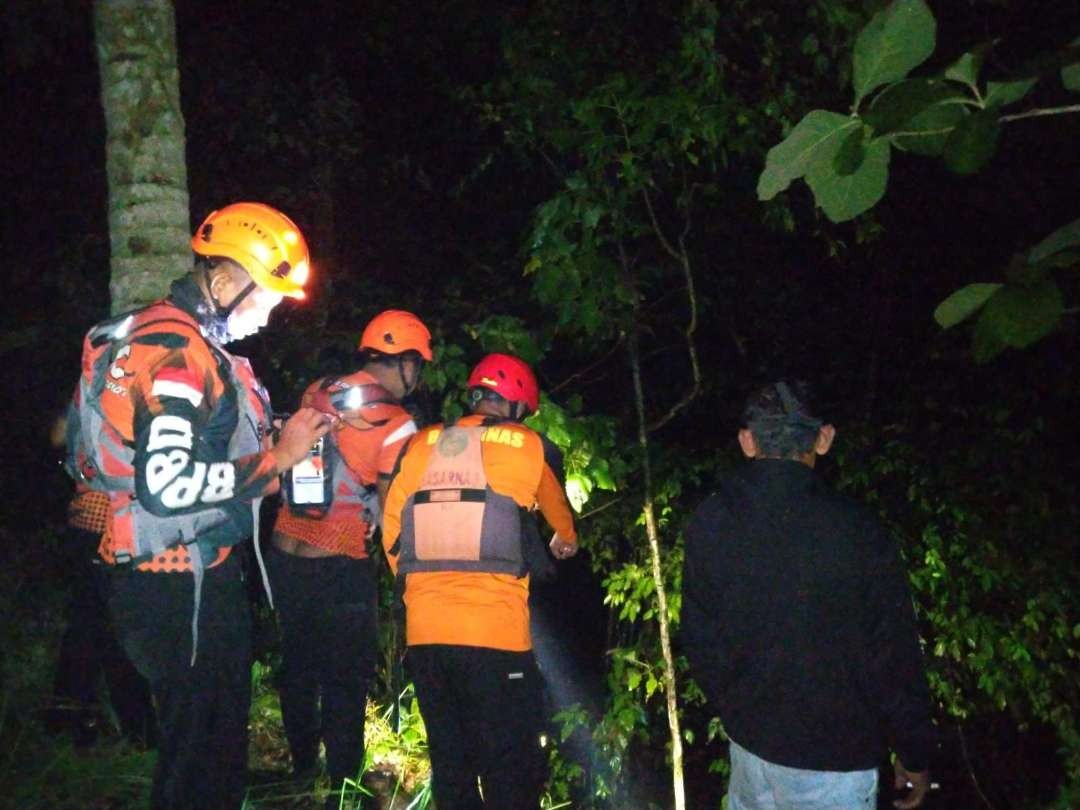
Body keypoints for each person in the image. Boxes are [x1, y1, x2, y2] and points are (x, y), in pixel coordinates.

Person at [65, 201, 333, 810]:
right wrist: (279, 459)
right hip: (174, 584)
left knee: (209, 753)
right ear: (222, 280)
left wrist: (275, 443)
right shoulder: (178, 352)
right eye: (265, 297)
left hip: (177, 575)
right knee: (200, 763)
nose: (268, 316)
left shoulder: (173, 337)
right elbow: (166, 483)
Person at [681, 380, 936, 810]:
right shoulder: (858, 531)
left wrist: (737, 706)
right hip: (833, 761)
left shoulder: (711, 519)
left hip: (749, 749)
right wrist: (914, 753)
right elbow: (893, 654)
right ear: (823, 438)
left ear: (748, 441)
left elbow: (699, 638)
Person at [381, 352, 579, 809]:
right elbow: (562, 520)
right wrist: (564, 541)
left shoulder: (422, 443)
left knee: (452, 765)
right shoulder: (531, 445)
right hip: (497, 639)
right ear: (515, 407)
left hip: (426, 638)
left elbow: (393, 532)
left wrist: (423, 591)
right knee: (511, 767)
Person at [267, 310, 433, 804]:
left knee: (297, 664)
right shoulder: (397, 424)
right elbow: (388, 508)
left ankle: (300, 771)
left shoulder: (318, 390)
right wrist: (406, 575)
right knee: (345, 675)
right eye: (417, 365)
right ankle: (343, 783)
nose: (418, 376)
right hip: (339, 563)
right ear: (403, 362)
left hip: (284, 553)